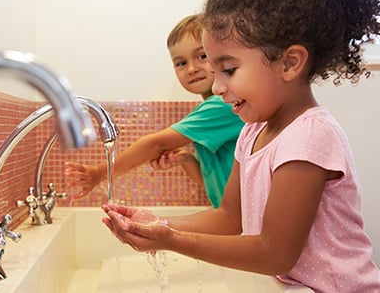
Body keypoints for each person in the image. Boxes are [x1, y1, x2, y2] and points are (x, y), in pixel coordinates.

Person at [102, 0, 380, 292]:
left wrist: (170, 239)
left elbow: (274, 253)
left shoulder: (310, 136)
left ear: (288, 63)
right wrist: (158, 223)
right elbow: (229, 217)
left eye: (228, 69)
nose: (218, 85)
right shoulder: (251, 131)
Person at [64, 14, 245, 208]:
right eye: (181, 63)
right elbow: (214, 189)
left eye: (202, 56)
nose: (191, 68)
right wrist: (187, 160)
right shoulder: (215, 109)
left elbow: (156, 144)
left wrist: (99, 173)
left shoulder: (221, 105)